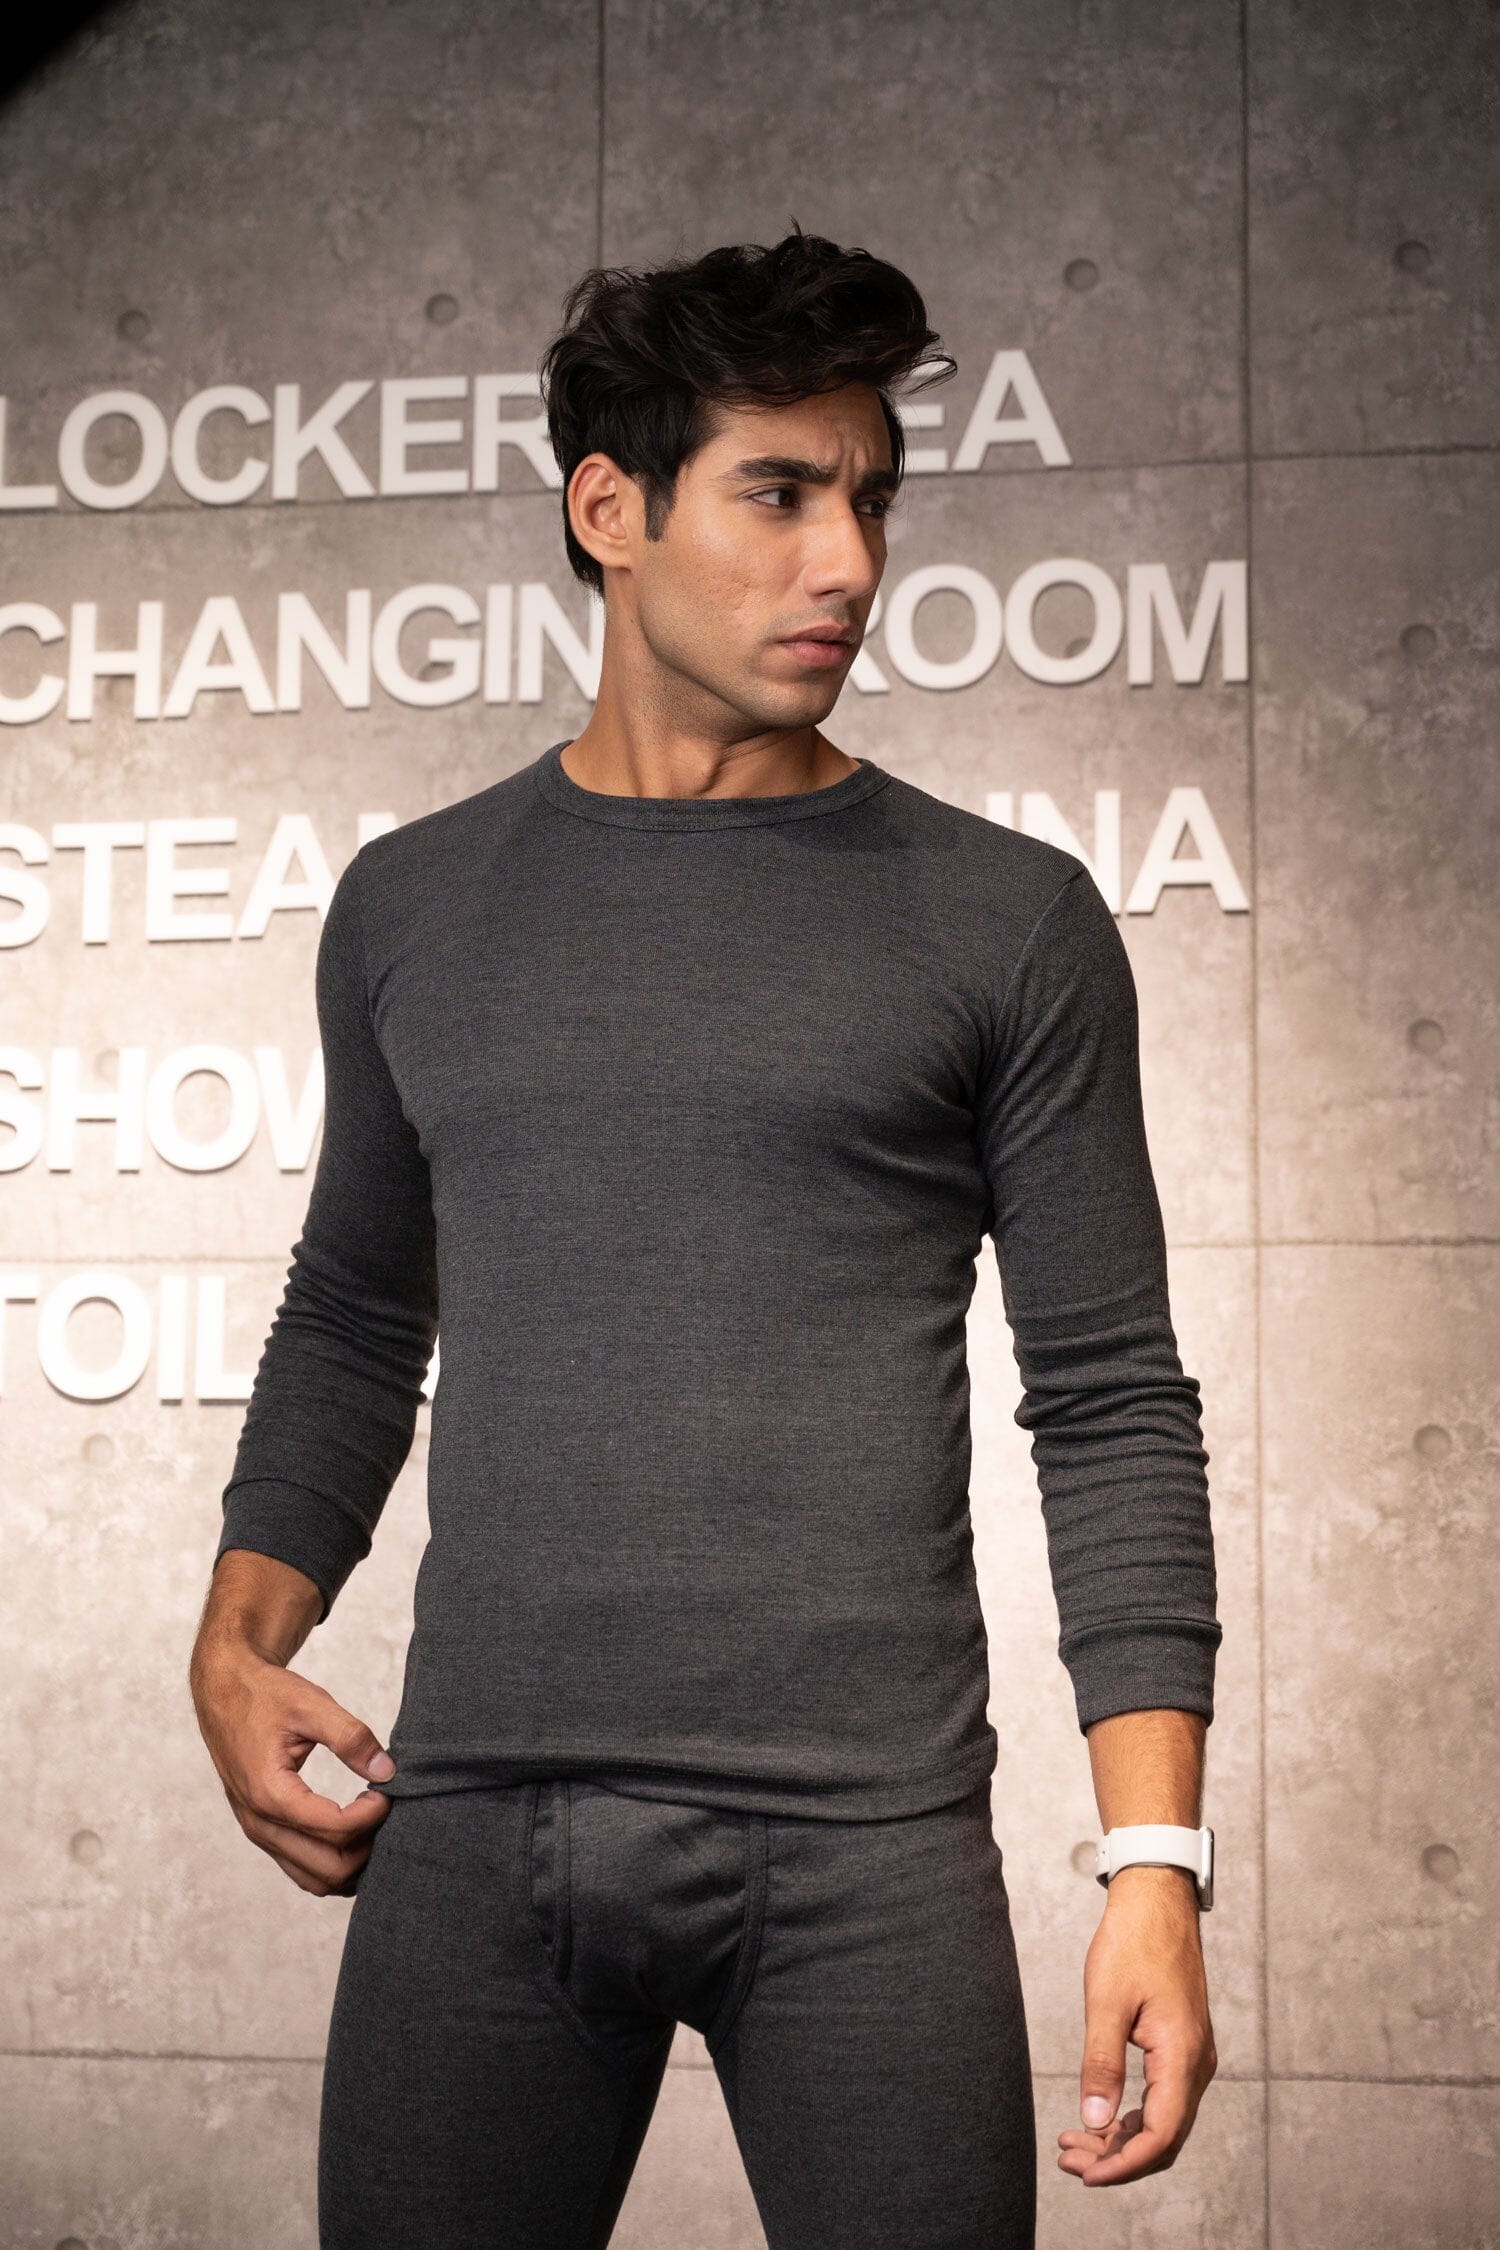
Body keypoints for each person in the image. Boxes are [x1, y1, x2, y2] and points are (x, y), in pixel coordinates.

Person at [189, 225, 1222, 2249]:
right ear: (611, 510)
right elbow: (354, 1317)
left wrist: (1155, 1864)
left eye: (870, 501)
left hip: (869, 1855)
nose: (849, 562)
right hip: (473, 1826)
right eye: (779, 494)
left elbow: (1110, 1404)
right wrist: (237, 1642)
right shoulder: (411, 907)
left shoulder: (1006, 923)